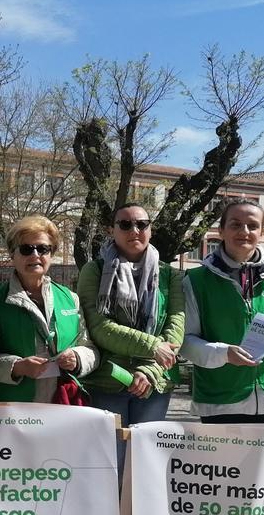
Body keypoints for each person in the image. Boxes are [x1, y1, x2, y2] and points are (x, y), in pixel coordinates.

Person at [77, 204, 184, 475]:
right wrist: (152, 346)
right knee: (111, 465)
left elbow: (175, 328)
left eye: (141, 224)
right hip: (107, 382)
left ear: (150, 229)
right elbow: (99, 327)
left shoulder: (170, 275)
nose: (134, 230)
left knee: (147, 465)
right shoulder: (94, 270)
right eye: (124, 225)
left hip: (155, 382)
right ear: (111, 230)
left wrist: (149, 369)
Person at [181, 198, 264, 423]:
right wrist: (224, 353)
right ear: (221, 230)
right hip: (219, 401)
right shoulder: (196, 280)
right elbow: (185, 343)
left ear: (262, 231)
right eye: (235, 224)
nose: (244, 232)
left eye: (252, 226)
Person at [0, 215, 99, 404]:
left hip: (61, 405)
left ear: (51, 254)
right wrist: (16, 366)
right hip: (10, 408)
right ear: (12, 254)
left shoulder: (70, 298)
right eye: (26, 249)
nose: (35, 255)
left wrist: (78, 357)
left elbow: (89, 348)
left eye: (43, 249)